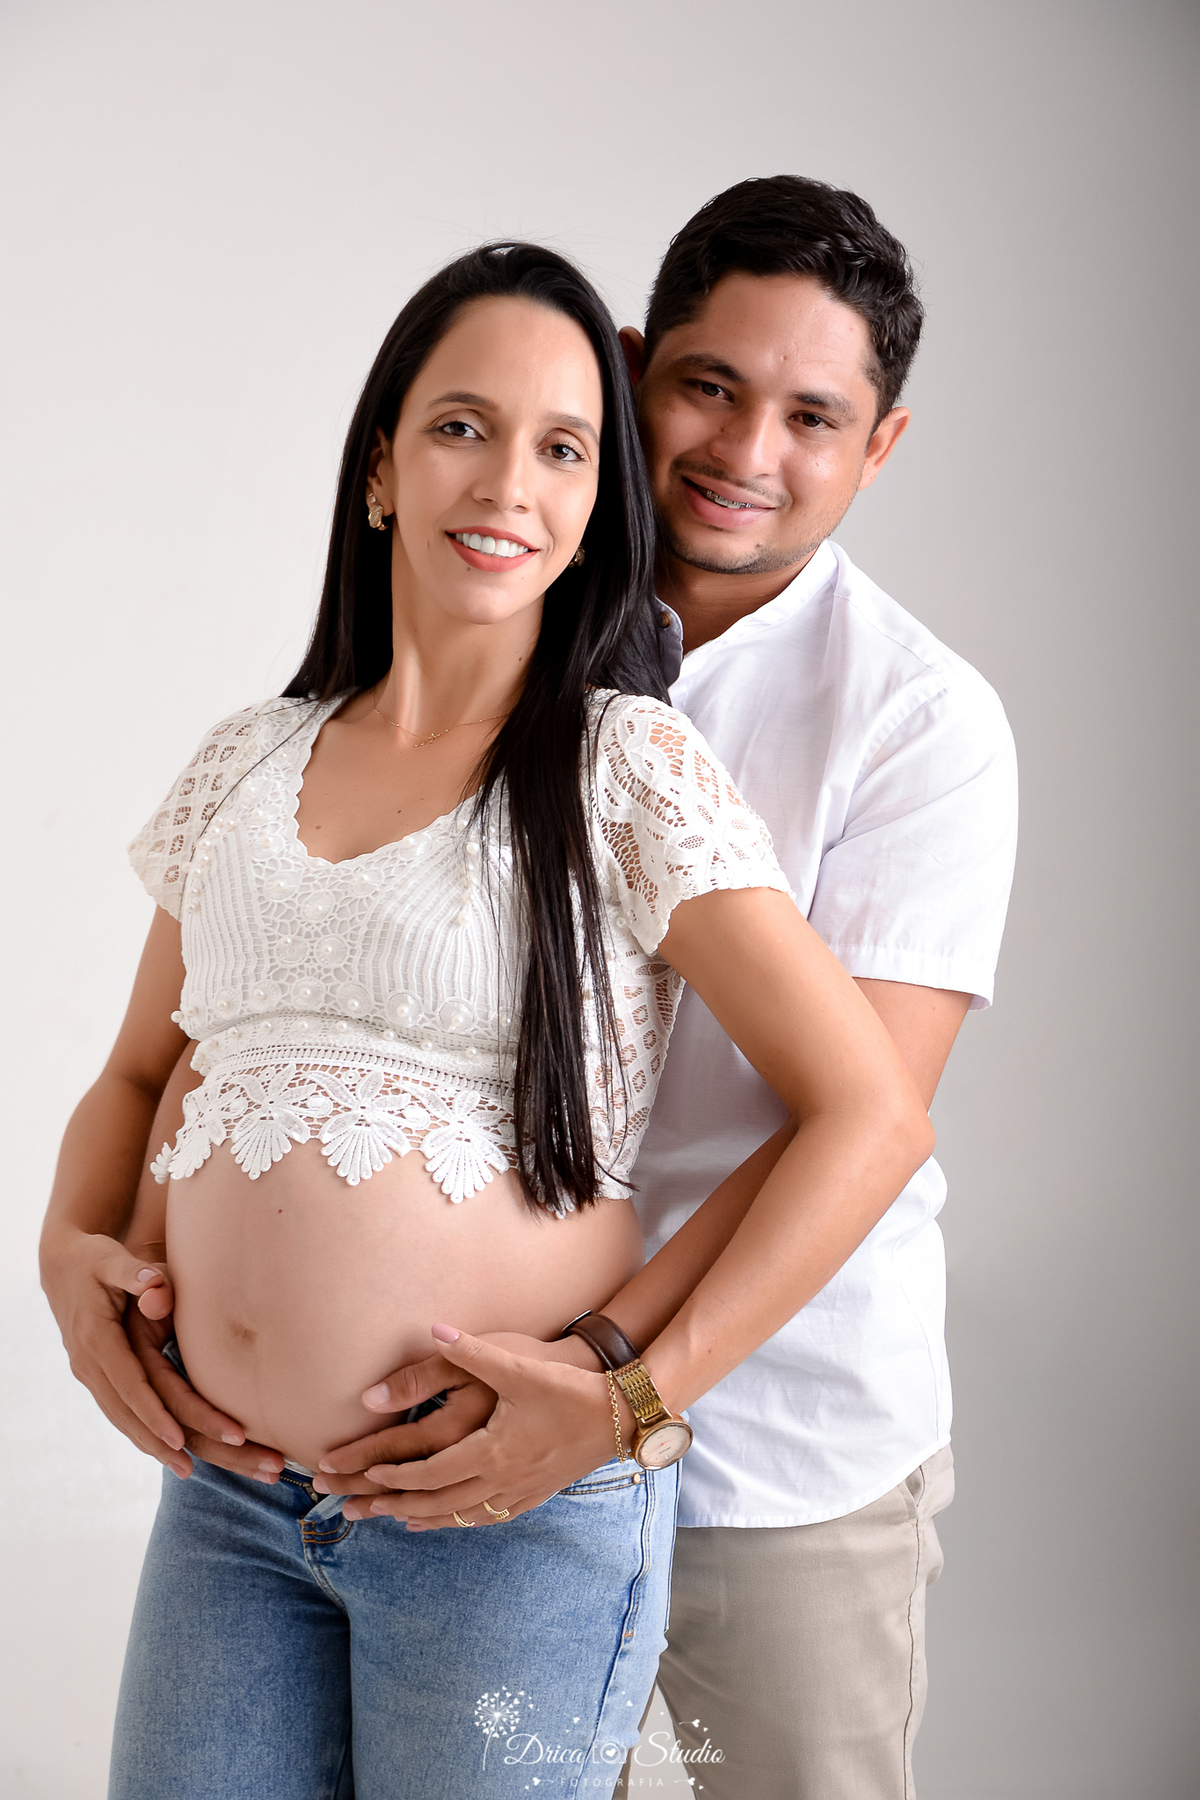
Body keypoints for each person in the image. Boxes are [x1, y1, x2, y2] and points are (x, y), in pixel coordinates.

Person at [39, 239, 933, 1800]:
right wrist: (67, 1251)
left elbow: (870, 1116)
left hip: (504, 1513)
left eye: (564, 446)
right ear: (382, 464)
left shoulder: (625, 770)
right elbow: (132, 1073)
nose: (506, 479)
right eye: (462, 425)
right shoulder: (247, 761)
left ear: (597, 509)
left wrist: (622, 1405)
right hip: (233, 1504)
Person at [282, 177, 1019, 1799]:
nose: (748, 452)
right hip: (486, 1438)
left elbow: (865, 1116)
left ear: (879, 446)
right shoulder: (497, 625)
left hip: (774, 1447)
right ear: (628, 367)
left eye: (814, 416)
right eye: (709, 386)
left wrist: (617, 1390)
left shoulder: (920, 724)